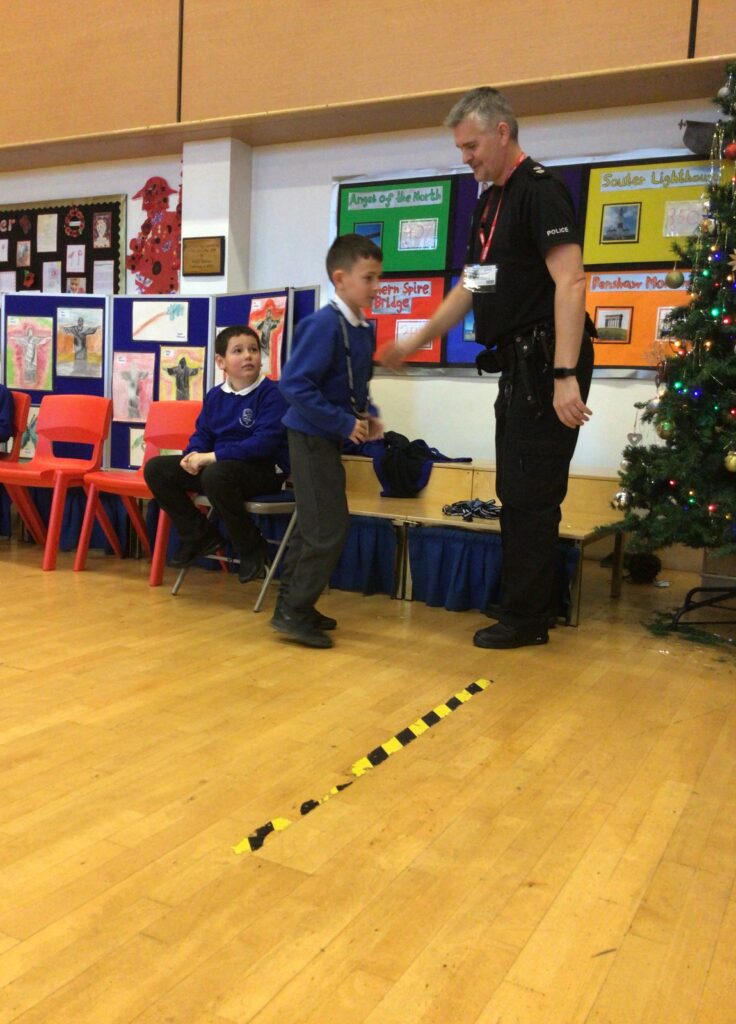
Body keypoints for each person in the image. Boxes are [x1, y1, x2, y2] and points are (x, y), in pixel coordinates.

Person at [380, 87, 594, 650]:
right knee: (516, 487)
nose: (466, 158)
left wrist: (564, 375)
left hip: (549, 358)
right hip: (522, 362)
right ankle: (527, 604)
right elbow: (473, 286)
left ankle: (527, 619)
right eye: (460, 148)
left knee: (531, 490)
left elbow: (571, 282)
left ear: (502, 132)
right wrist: (417, 339)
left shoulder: (540, 192)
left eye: (471, 146)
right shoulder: (489, 204)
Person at [272, 234, 384, 649]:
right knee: (327, 529)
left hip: (327, 435)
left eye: (378, 278)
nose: (376, 287)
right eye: (368, 278)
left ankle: (293, 604)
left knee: (314, 525)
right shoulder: (323, 325)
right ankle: (293, 610)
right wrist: (341, 421)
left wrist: (367, 414)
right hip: (309, 436)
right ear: (340, 279)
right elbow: (294, 384)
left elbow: (352, 384)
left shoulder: (361, 328)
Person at [144, 324, 289, 582]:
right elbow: (203, 433)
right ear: (221, 362)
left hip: (262, 471)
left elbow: (263, 444)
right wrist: (193, 454)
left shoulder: (273, 394)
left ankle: (251, 548)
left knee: (216, 474)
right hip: (221, 470)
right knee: (157, 469)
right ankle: (200, 536)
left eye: (253, 350)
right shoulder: (215, 396)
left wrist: (210, 457)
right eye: (238, 351)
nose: (248, 356)